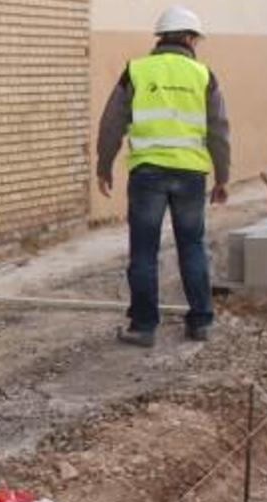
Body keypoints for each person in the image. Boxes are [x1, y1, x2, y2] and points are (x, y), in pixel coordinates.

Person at [96, 5, 232, 347]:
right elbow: (219, 130)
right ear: (188, 38)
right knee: (192, 247)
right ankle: (200, 322)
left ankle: (143, 327)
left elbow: (112, 122)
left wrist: (104, 165)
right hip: (190, 175)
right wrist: (222, 177)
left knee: (144, 251)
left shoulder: (136, 71)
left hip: (147, 174)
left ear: (161, 38)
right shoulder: (204, 75)